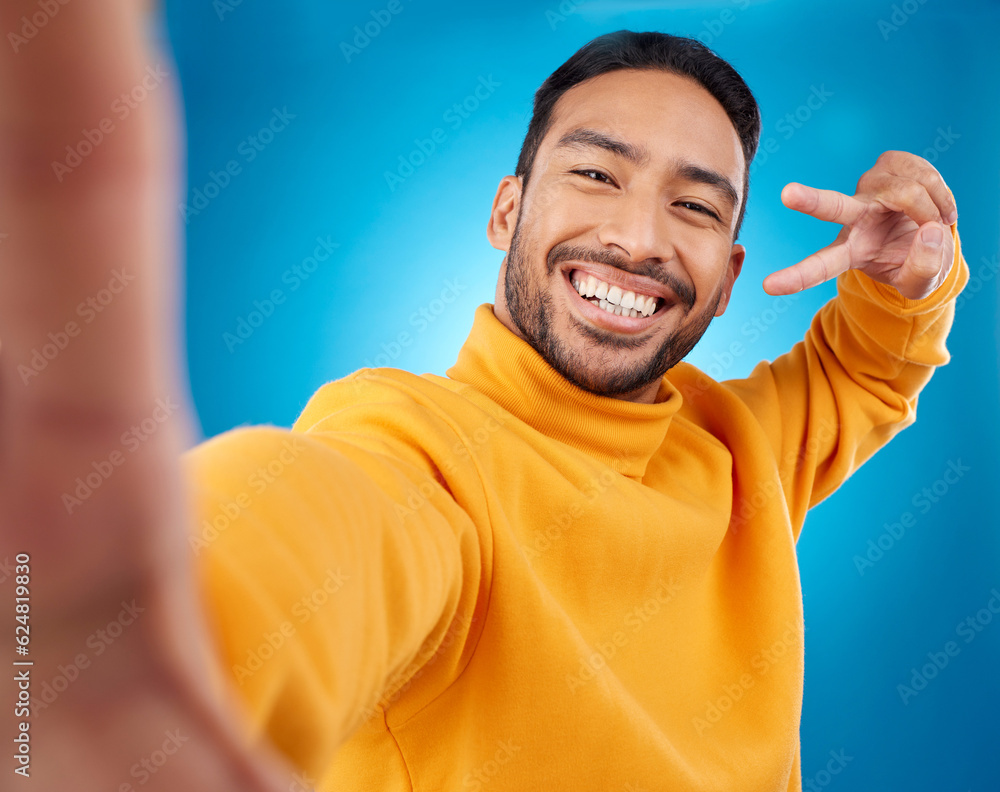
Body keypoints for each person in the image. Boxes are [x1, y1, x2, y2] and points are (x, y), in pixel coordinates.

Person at [1, 4, 968, 790]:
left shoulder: (735, 445)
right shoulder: (419, 452)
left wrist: (906, 282)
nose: (639, 238)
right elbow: (319, 524)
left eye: (695, 206)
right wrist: (152, 649)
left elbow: (867, 373)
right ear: (508, 213)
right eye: (595, 174)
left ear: (726, 278)